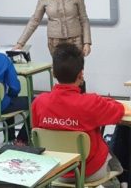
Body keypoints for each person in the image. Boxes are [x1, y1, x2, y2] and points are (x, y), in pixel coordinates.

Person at [32, 43, 131, 183]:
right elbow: (118, 110)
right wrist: (103, 100)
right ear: (81, 74)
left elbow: (36, 131)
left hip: (54, 171)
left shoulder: (39, 102)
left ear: (53, 73)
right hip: (88, 171)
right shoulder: (92, 103)